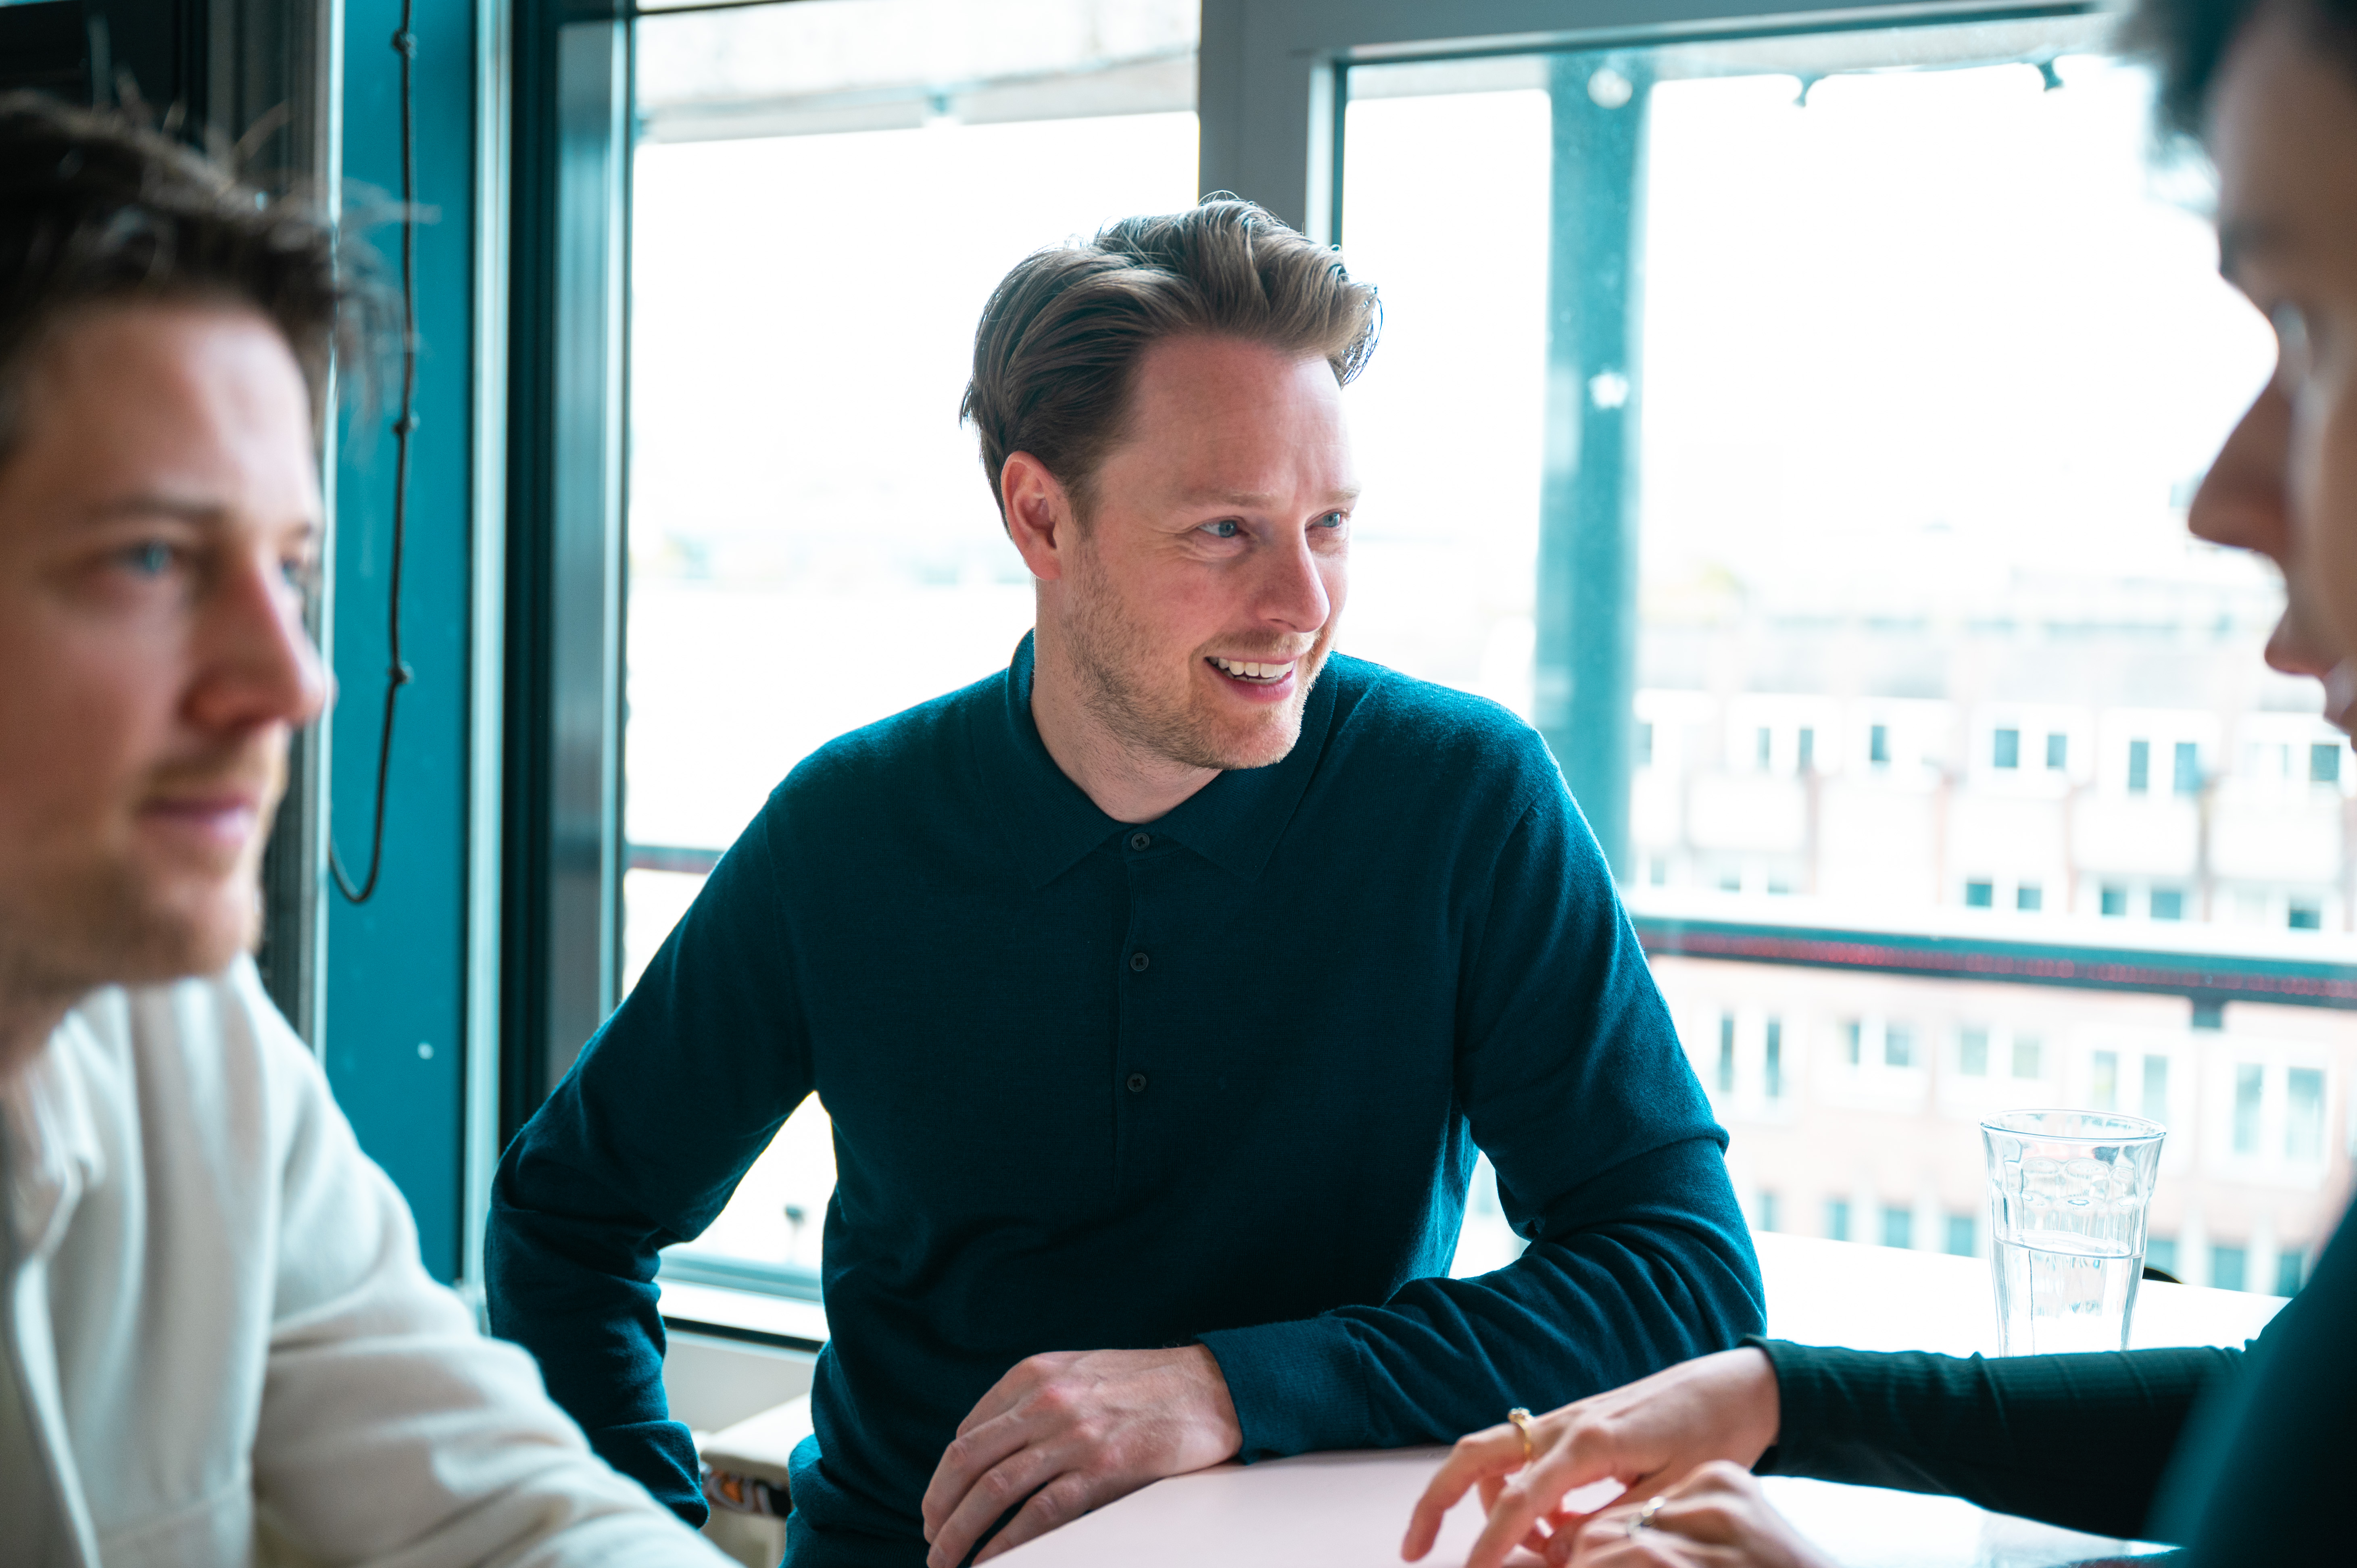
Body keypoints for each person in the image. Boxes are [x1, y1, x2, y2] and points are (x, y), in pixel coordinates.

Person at [485, 200, 1767, 1568]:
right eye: (1225, 530)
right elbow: (573, 1216)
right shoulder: (848, 828)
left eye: (1328, 523)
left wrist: (1225, 1385)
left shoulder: (1461, 796)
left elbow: (1681, 1279)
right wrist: (637, 1545)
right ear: (1042, 516)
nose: (1304, 602)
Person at [1398, 1, 2357, 1564]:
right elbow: (2291, 1435)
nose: (2226, 500)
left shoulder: (1462, 786)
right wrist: (1774, 1394)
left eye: (2317, 329)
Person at [0, 96, 726, 1566]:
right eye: (152, 558)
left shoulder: (188, 1036)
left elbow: (501, 1509)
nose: (296, 680)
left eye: (289, 566)